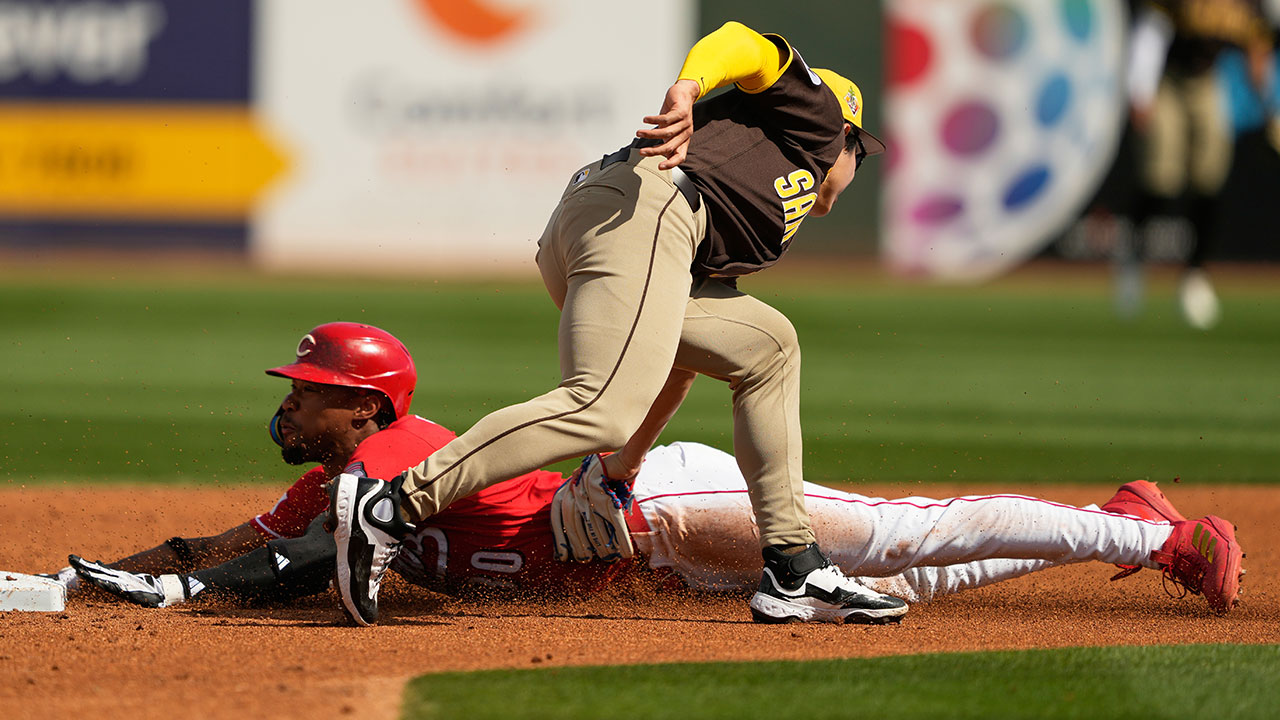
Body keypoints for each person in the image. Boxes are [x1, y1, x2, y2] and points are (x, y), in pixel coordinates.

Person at [328, 20, 910, 627]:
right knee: (598, 408)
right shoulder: (815, 122)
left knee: (766, 349)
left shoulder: (763, 197)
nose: (854, 166)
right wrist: (688, 88)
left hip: (614, 216)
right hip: (645, 208)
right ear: (843, 135)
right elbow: (746, 42)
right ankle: (391, 505)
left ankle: (792, 568)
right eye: (858, 153)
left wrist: (619, 473)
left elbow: (674, 359)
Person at [65, 323, 1245, 621]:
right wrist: (164, 579)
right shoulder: (331, 485)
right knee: (899, 592)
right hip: (646, 579)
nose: (285, 401)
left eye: (301, 387)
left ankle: (1159, 541)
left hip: (657, 507)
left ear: (357, 404)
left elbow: (326, 542)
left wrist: (208, 580)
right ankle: (1114, 521)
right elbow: (274, 549)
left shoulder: (403, 450)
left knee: (889, 538)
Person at [1118, 0, 1274, 328]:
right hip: (1168, 80)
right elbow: (1151, 33)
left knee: (1209, 178)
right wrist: (1141, 90)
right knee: (1162, 178)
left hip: (1207, 81)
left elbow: (1257, 49)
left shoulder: (1251, 6)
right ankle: (1132, 257)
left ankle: (1195, 274)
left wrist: (1268, 106)